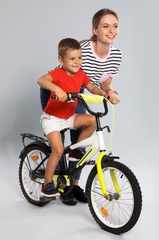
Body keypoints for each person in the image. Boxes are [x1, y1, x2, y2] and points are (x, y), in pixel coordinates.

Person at [40, 8, 122, 205]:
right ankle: (59, 185)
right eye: (105, 26)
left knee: (81, 143)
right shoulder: (82, 48)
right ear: (95, 29)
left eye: (115, 26)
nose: (111, 30)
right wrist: (58, 91)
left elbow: (102, 84)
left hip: (81, 91)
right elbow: (63, 72)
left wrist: (110, 93)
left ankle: (74, 185)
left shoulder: (116, 55)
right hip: (60, 92)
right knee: (59, 144)